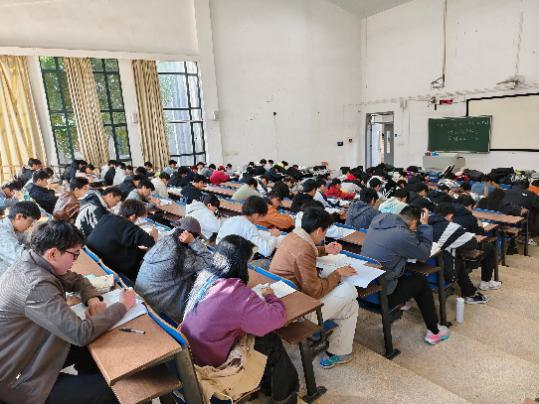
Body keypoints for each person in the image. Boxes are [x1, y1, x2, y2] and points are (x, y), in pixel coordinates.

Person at [0, 220, 135, 404]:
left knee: (94, 350)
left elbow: (77, 280)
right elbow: (80, 333)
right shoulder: (36, 285)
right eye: (75, 254)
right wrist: (122, 306)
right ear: (53, 253)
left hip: (34, 349)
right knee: (114, 393)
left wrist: (92, 298)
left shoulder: (35, 262)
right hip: (19, 382)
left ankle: (86, 378)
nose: (75, 260)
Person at [181, 235, 299, 403]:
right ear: (241, 264)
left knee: (253, 332)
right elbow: (277, 318)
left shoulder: (206, 276)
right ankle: (286, 397)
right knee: (270, 339)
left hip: (193, 354)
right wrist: (270, 296)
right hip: (215, 366)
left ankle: (266, 384)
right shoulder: (235, 294)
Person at [270, 206, 358, 368]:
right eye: (325, 232)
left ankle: (339, 352)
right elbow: (315, 291)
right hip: (298, 312)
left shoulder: (293, 236)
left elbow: (304, 250)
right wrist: (338, 274)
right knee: (350, 290)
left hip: (282, 300)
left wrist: (325, 249)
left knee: (351, 306)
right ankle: (337, 351)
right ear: (319, 231)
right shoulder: (305, 249)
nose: (325, 236)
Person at [361, 206, 450, 345]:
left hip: (364, 286)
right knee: (421, 282)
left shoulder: (379, 220)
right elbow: (424, 254)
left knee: (405, 268)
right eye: (416, 227)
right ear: (414, 222)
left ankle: (404, 302)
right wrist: (425, 226)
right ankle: (434, 332)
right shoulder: (402, 234)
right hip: (380, 294)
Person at [136, 217, 212, 323]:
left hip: (142, 299)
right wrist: (193, 242)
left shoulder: (164, 241)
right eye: (197, 238)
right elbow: (209, 261)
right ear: (188, 236)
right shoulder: (182, 256)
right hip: (156, 311)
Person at [429, 203, 494, 304]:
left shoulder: (424, 223)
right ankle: (479, 288)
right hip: (444, 271)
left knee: (453, 254)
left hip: (425, 270)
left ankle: (470, 292)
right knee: (487, 249)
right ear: (450, 215)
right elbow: (472, 244)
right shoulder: (450, 227)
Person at [86, 199, 156, 281]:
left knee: (140, 250)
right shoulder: (127, 226)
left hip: (95, 258)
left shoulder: (107, 217)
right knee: (149, 257)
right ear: (133, 216)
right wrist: (154, 233)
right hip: (113, 267)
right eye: (139, 218)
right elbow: (150, 241)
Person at [453, 195, 503, 291]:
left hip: (448, 249)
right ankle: (485, 282)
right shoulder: (469, 217)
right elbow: (480, 233)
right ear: (469, 206)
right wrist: (480, 225)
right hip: (462, 250)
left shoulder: (448, 213)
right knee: (490, 248)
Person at [0, 201, 41, 275]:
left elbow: (28, 239)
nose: (31, 225)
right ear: (19, 217)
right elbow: (21, 259)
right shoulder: (2, 232)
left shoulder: (15, 228)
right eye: (30, 221)